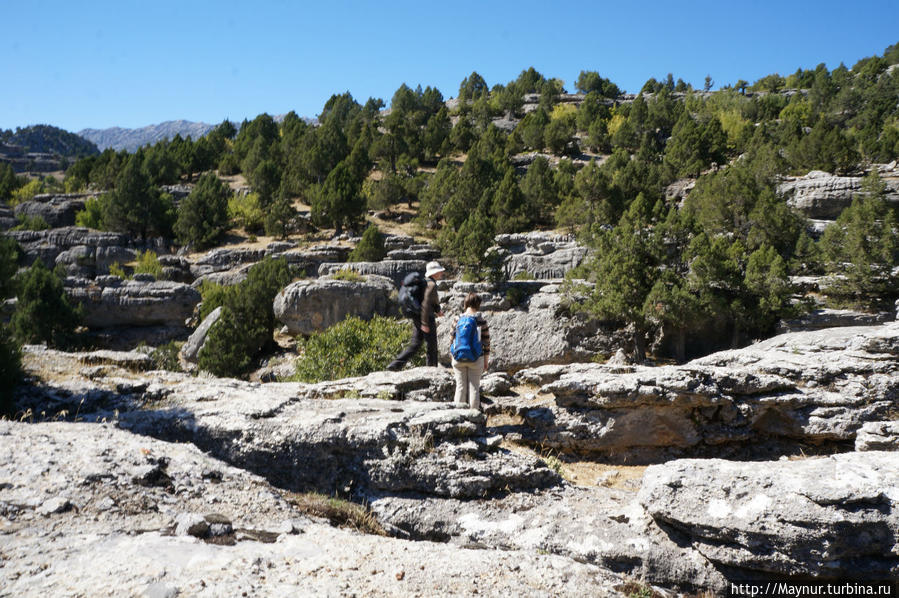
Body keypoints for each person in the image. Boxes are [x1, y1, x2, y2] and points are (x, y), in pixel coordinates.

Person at [387, 261, 445, 370]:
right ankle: (432, 370)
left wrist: (438, 310)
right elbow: (426, 303)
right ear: (434, 273)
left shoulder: (424, 282)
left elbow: (430, 301)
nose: (441, 273)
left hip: (417, 316)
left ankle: (395, 364)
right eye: (440, 271)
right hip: (426, 318)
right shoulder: (431, 284)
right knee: (432, 346)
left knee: (415, 344)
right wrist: (425, 323)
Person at [450, 292, 491, 411]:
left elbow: (451, 340)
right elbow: (486, 343)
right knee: (474, 388)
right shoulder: (481, 320)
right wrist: (486, 362)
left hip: (458, 358)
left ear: (465, 303)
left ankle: (458, 419)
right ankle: (473, 420)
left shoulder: (457, 319)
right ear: (478, 305)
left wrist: (452, 356)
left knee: (460, 387)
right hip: (476, 358)